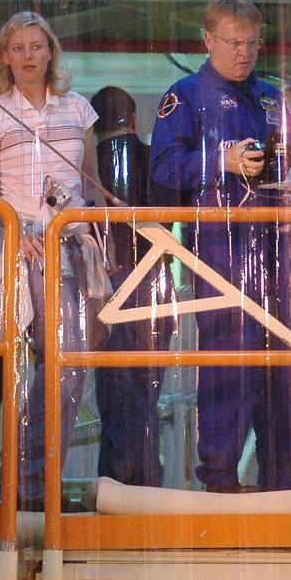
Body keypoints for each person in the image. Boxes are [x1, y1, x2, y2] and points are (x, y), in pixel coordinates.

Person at [149, 0, 291, 493]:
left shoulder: (274, 96)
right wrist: (221, 161)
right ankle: (221, 479)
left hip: (280, 245)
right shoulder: (184, 95)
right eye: (233, 42)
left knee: (285, 362)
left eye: (252, 43)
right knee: (230, 361)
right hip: (221, 246)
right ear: (208, 40)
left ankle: (282, 482)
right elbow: (162, 168)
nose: (244, 52)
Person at [0, 11, 102, 511]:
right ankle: (26, 486)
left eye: (36, 46)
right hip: (21, 252)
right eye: (17, 47)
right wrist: (15, 230)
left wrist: (89, 223)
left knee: (70, 368)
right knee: (32, 370)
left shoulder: (79, 109)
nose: (27, 55)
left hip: (73, 247)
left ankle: (37, 482)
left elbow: (90, 185)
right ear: (5, 55)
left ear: (51, 52)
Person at [91, 85, 173, 487]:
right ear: (135, 119)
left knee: (116, 393)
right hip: (157, 281)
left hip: (111, 284)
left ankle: (121, 484)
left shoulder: (88, 167)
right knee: (145, 392)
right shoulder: (155, 160)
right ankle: (144, 481)